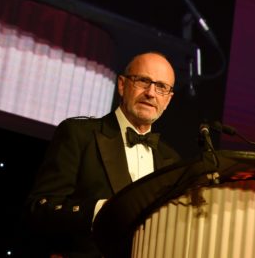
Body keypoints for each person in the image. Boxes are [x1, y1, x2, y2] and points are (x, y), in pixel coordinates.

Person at [22, 51, 182, 257]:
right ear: (122, 85)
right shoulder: (78, 134)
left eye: (161, 87)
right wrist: (100, 210)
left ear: (168, 99)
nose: (151, 93)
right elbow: (38, 210)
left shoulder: (172, 161)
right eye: (143, 81)